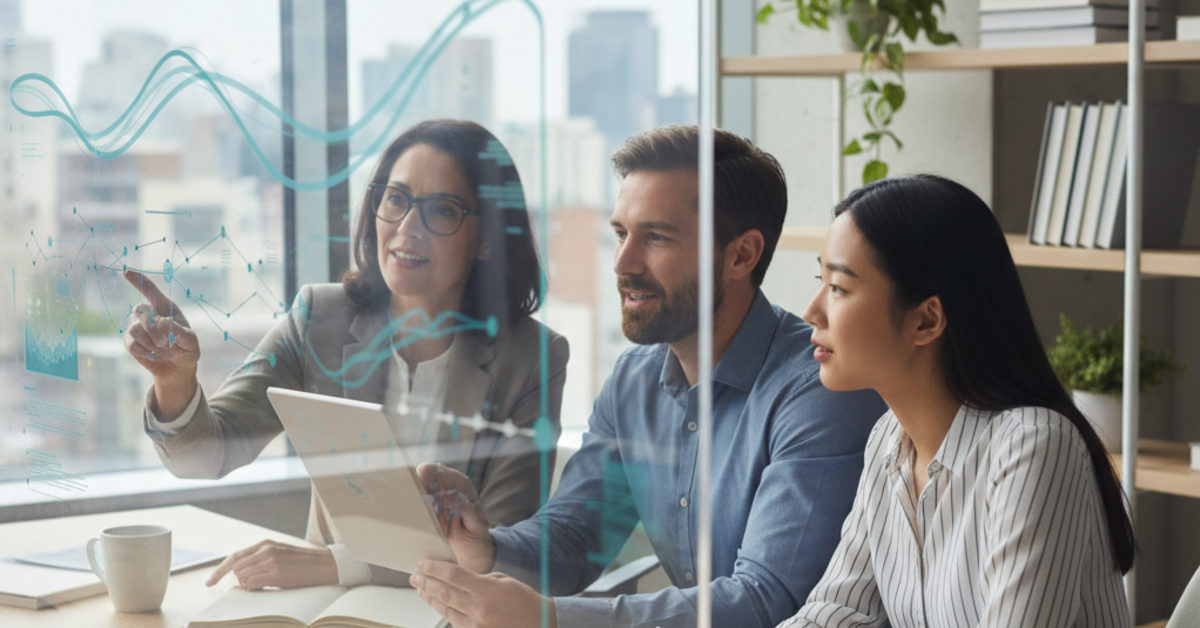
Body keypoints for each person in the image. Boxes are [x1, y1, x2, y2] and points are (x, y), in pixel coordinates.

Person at [407, 125, 889, 628]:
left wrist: (551, 620)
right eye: (620, 233)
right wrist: (486, 546)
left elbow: (766, 601)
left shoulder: (820, 391)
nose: (622, 262)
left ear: (742, 255)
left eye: (655, 237)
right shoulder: (633, 380)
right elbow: (578, 537)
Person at [122, 119, 569, 590]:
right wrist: (176, 383)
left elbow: (500, 554)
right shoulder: (319, 318)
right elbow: (203, 458)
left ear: (488, 237)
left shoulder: (533, 358)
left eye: (442, 210)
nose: (406, 228)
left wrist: (338, 565)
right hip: (328, 610)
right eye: (395, 199)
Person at [778, 174, 1135, 628]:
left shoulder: (1033, 447)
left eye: (839, 288)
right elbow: (836, 612)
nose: (811, 311)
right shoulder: (889, 441)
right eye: (820, 280)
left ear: (926, 320)